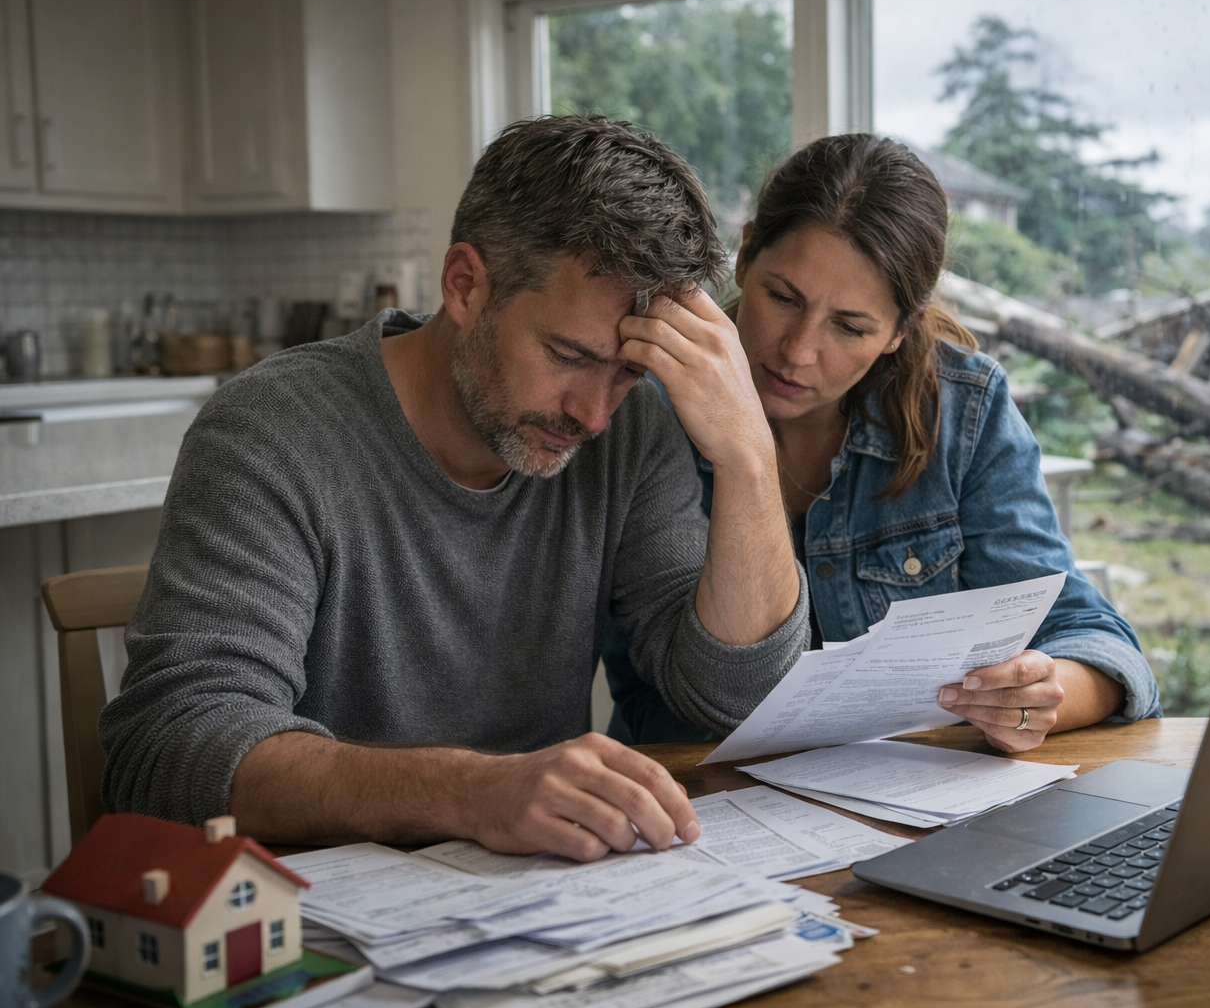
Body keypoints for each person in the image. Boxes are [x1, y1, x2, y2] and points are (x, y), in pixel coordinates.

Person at [99, 116, 810, 862]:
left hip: (545, 898)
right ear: (466, 284)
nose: (593, 414)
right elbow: (168, 748)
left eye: (628, 371)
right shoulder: (273, 432)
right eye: (567, 355)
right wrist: (470, 792)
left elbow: (734, 697)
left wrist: (748, 457)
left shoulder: (634, 430)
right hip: (311, 916)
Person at [606, 134, 1160, 751]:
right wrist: (746, 454)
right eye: (782, 297)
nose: (799, 351)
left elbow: (1092, 637)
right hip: (691, 800)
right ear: (744, 257)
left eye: (850, 327)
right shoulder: (641, 407)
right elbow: (712, 699)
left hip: (911, 805)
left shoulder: (960, 411)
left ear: (899, 330)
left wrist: (1038, 696)